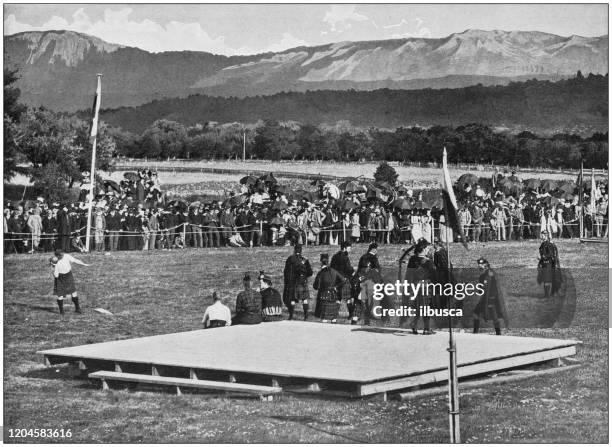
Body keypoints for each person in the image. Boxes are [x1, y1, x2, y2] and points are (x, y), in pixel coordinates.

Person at [473, 258, 509, 335]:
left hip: (491, 300)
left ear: (486, 265)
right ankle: (475, 333)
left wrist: (491, 299)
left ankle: (498, 333)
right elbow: (480, 290)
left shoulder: (490, 274)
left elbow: (495, 287)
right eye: (479, 264)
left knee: (494, 317)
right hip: (485, 299)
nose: (480, 266)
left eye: (481, 264)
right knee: (476, 314)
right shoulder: (482, 276)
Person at [52, 249, 90, 315]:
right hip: (60, 278)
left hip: (68, 275)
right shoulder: (55, 261)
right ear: (57, 256)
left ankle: (77, 309)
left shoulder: (66, 256)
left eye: (62, 254)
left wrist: (84, 264)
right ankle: (61, 311)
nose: (62, 256)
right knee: (60, 294)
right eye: (61, 255)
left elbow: (75, 260)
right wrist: (54, 267)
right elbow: (56, 274)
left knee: (73, 292)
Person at [282, 244, 313, 320]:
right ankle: (306, 316)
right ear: (301, 251)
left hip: (293, 282)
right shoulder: (304, 260)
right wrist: (304, 276)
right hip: (302, 282)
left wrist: (287, 282)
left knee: (292, 299)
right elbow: (310, 272)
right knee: (304, 299)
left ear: (294, 250)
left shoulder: (290, 259)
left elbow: (286, 272)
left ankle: (291, 316)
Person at [313, 253, 346, 323]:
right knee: (333, 318)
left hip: (323, 296)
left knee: (324, 318)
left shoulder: (321, 273)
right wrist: (336, 287)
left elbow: (316, 286)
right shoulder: (334, 271)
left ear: (321, 262)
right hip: (333, 295)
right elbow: (343, 280)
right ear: (328, 261)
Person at [537, 230, 562, 297]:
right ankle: (548, 294)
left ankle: (548, 295)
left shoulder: (549, 244)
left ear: (546, 235)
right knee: (546, 279)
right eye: (541, 234)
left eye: (542, 235)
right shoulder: (543, 244)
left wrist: (542, 257)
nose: (541, 236)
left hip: (548, 264)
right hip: (545, 264)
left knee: (547, 279)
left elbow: (551, 255)